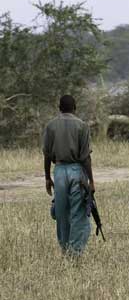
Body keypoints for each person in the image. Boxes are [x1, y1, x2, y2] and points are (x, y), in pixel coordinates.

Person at [42, 95, 94, 256]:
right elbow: (85, 157)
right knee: (78, 211)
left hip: (58, 171)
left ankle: (64, 248)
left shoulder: (50, 126)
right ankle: (75, 251)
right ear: (75, 107)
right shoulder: (82, 126)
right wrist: (91, 180)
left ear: (59, 107)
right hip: (77, 171)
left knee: (61, 211)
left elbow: (47, 154)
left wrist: (47, 177)